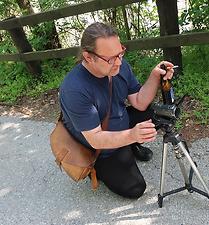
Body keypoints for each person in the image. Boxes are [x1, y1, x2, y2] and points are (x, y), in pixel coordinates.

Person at [59, 22, 174, 199]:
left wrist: (154, 76)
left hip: (119, 124)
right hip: (98, 146)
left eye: (120, 53)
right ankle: (98, 167)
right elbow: (96, 139)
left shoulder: (120, 65)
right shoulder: (74, 89)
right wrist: (132, 135)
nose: (119, 62)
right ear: (89, 57)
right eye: (111, 58)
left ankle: (130, 145)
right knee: (135, 188)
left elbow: (140, 102)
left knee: (159, 113)